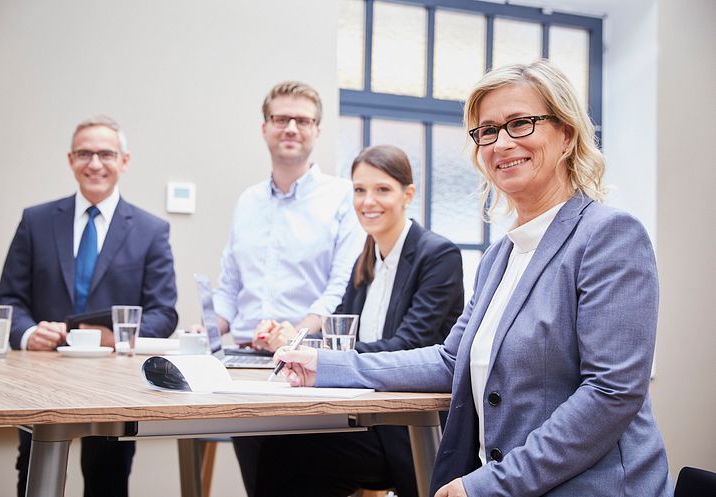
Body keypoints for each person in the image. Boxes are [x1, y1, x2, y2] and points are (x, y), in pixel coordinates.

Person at [276, 60, 673, 497]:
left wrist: (488, 485)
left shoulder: (609, 236)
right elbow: (450, 360)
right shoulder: (500, 256)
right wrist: (328, 365)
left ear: (566, 135)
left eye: (520, 123)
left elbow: (610, 392)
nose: (501, 143)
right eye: (487, 130)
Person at [234, 145, 464, 497]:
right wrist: (291, 338)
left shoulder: (437, 256)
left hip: (408, 426)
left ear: (408, 194)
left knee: (284, 450)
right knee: (257, 432)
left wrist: (317, 353)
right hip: (363, 413)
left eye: (382, 189)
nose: (368, 201)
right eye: (359, 190)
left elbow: (408, 347)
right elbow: (336, 334)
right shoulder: (366, 257)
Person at [0, 116, 178, 497]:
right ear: (71, 159)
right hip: (38, 379)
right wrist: (28, 334)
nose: (95, 163)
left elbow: (163, 313)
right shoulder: (36, 220)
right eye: (85, 153)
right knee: (33, 478)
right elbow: (8, 300)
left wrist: (115, 338)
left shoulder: (151, 230)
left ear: (124, 160)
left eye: (106, 154)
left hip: (116, 384)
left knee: (108, 481)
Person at [212, 80, 364, 347]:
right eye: (281, 119)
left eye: (303, 121)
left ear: (317, 130)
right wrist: (206, 329)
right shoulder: (248, 201)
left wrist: (293, 337)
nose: (291, 129)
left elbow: (340, 287)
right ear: (265, 128)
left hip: (306, 353)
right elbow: (229, 289)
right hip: (242, 352)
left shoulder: (344, 197)